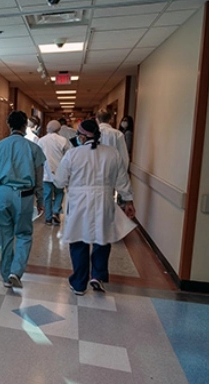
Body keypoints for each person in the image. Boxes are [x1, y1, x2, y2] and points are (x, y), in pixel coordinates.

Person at [54, 119, 136, 295]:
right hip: (104, 200)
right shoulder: (112, 154)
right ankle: (97, 276)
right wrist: (128, 201)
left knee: (78, 240)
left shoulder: (72, 155)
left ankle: (79, 283)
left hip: (79, 201)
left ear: (82, 137)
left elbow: (60, 181)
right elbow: (122, 180)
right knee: (102, 237)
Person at [0, 111, 46, 289]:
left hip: (2, 193)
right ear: (24, 126)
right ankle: (16, 271)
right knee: (24, 234)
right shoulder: (34, 148)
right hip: (24, 195)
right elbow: (38, 178)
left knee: (5, 236)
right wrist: (41, 200)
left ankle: (6, 276)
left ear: (9, 125)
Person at [37, 120, 70, 225]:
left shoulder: (41, 140)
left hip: (46, 173)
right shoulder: (63, 140)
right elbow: (67, 157)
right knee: (59, 193)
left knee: (47, 196)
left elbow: (38, 157)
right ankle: (56, 211)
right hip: (60, 172)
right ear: (59, 129)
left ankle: (47, 218)